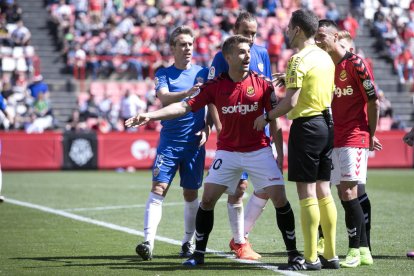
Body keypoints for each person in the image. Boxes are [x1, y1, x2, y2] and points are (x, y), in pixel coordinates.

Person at [125, 35, 303, 267]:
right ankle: (198, 254)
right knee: (207, 199)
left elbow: (276, 121)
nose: (247, 55)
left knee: (280, 198)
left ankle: (293, 254)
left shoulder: (263, 84)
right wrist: (150, 115)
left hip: (258, 151)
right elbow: (182, 106)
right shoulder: (215, 86)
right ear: (227, 57)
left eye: (248, 51)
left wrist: (279, 154)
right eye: (241, 52)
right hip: (227, 152)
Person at [254, 10, 338, 271]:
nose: (287, 32)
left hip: (307, 126)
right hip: (327, 124)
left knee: (306, 192)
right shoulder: (326, 57)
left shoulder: (297, 60)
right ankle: (331, 255)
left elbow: (290, 102)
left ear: (298, 29)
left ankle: (311, 258)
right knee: (324, 190)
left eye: (289, 28)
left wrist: (266, 117)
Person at [209, 11, 294, 260]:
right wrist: (218, 125)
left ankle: (240, 238)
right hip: (235, 134)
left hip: (262, 131)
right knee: (239, 189)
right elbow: (212, 95)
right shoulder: (222, 56)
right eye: (246, 32)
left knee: (270, 188)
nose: (251, 38)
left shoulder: (263, 54)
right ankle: (239, 241)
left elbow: (266, 92)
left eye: (254, 33)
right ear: (235, 30)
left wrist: (272, 124)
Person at [134, 25, 210, 261]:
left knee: (190, 194)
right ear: (172, 48)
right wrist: (188, 91)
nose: (187, 48)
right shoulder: (163, 74)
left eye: (190, 43)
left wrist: (208, 127)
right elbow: (165, 97)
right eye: (182, 44)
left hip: (194, 144)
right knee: (158, 189)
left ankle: (187, 242)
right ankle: (148, 242)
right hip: (169, 142)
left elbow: (212, 103)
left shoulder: (204, 72)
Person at [315, 19, 382, 268]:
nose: (318, 41)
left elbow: (373, 101)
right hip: (334, 136)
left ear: (334, 37)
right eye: (316, 36)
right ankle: (364, 250)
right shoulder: (323, 66)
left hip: (354, 135)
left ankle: (354, 250)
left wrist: (371, 133)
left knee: (349, 192)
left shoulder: (355, 64)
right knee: (337, 193)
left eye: (322, 36)